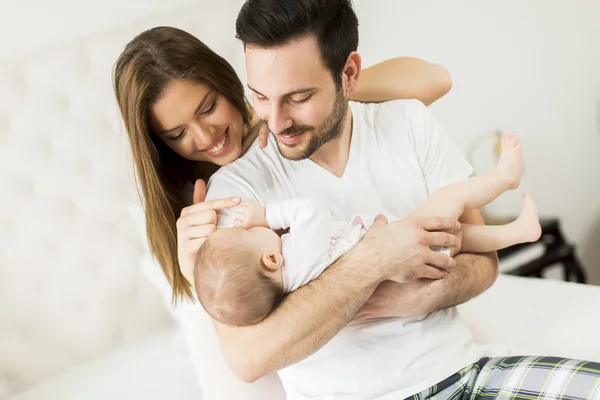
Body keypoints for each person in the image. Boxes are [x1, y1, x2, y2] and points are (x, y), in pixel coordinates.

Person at [196, 0, 600, 399]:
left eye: (298, 98)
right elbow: (250, 359)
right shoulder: (236, 194)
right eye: (261, 97)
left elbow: (482, 262)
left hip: (466, 373)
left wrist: (423, 295)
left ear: (349, 73)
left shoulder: (408, 121)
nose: (277, 121)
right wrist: (372, 261)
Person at [113, 23, 457, 399]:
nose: (204, 136)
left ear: (227, 82)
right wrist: (191, 271)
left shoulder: (286, 128)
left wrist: (282, 104)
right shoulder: (205, 207)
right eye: (177, 134)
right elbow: (246, 360)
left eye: (208, 107)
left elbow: (434, 79)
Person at [195, 135, 543, 328]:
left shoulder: (293, 288)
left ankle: (517, 232)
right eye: (246, 233)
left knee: (457, 236)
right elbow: (312, 212)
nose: (249, 227)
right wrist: (265, 214)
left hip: (400, 269)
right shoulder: (295, 255)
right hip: (400, 254)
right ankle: (506, 179)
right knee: (449, 197)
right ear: (270, 259)